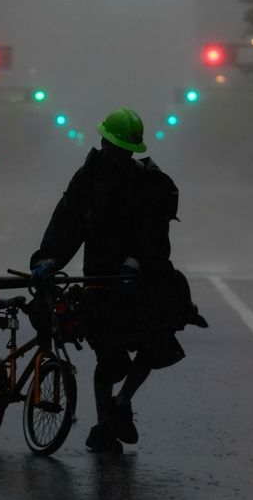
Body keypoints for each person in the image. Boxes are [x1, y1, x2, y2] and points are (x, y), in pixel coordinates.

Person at [29, 107, 207, 454]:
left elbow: (155, 233)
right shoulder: (88, 179)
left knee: (156, 341)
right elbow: (68, 221)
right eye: (114, 148)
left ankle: (122, 403)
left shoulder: (147, 185)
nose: (118, 154)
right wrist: (48, 259)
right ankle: (102, 427)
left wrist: (137, 261)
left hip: (140, 281)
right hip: (100, 282)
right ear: (103, 143)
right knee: (109, 359)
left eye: (125, 150)